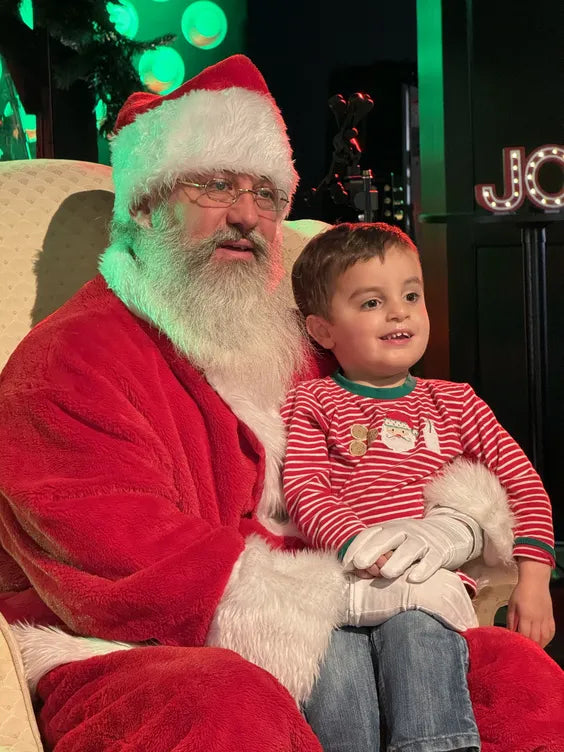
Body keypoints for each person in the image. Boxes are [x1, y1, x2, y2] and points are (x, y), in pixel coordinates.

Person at [0, 55, 562, 752]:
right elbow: (125, 569)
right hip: (137, 649)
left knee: (522, 681)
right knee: (226, 708)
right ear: (146, 206)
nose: (246, 215)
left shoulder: (302, 336)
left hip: (353, 611)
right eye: (215, 185)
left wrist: (453, 526)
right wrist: (350, 597)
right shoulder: (68, 362)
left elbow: (411, 443)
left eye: (265, 194)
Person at [282, 222, 556, 751]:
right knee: (335, 672)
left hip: (426, 586)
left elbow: (522, 483)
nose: (399, 312)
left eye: (411, 295)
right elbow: (305, 487)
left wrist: (535, 578)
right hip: (342, 586)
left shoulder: (455, 401)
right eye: (370, 303)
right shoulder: (314, 402)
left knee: (417, 639)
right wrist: (360, 545)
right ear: (322, 330)